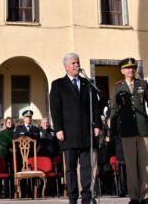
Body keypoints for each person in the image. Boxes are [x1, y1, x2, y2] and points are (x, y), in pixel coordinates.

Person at [49, 52, 101, 204]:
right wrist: (58, 128)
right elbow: (55, 109)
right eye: (73, 63)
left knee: (86, 168)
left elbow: (95, 107)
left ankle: (86, 197)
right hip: (68, 133)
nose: (77, 65)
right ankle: (72, 198)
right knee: (71, 169)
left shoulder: (87, 84)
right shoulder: (58, 84)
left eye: (77, 62)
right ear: (66, 67)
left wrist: (97, 124)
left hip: (86, 132)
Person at [109, 57, 148, 204]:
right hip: (127, 130)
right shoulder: (118, 86)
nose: (131, 70)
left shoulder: (143, 84)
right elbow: (115, 109)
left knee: (144, 164)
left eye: (133, 68)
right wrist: (112, 128)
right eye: (128, 68)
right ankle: (134, 197)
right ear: (122, 70)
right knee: (131, 165)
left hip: (143, 129)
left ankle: (145, 196)